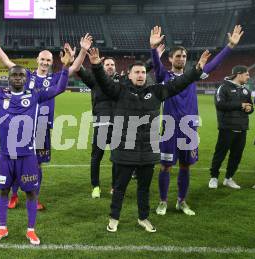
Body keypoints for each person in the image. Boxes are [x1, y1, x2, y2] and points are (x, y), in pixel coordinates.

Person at [89, 30, 211, 232]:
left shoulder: (156, 91)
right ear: (129, 75)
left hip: (148, 150)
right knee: (119, 188)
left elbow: (179, 83)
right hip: (124, 149)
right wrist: (96, 66)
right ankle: (114, 218)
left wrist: (197, 69)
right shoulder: (118, 91)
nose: (140, 75)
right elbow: (103, 82)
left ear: (147, 75)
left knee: (144, 189)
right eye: (136, 72)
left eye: (143, 72)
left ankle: (143, 218)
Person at [0, 43, 72, 245]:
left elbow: (60, 88)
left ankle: (30, 230)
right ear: (8, 78)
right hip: (5, 155)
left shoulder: (35, 95)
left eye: (21, 75)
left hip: (28, 155)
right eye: (14, 75)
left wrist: (65, 68)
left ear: (26, 79)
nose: (17, 78)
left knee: (31, 192)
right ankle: (2, 228)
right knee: (3, 191)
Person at [0, 29, 90, 210]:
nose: (45, 62)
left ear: (51, 62)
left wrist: (83, 51)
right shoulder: (26, 75)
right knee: (16, 161)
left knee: (37, 165)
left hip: (42, 128)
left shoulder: (55, 78)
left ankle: (35, 196)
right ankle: (14, 196)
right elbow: (7, 62)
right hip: (23, 127)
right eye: (42, 59)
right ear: (37, 60)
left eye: (48, 60)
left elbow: (74, 68)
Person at [150, 25, 244, 216]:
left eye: (184, 56)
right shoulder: (165, 76)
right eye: (177, 56)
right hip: (169, 128)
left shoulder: (192, 75)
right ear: (170, 59)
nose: (181, 59)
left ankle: (181, 201)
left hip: (189, 128)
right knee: (165, 166)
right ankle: (162, 201)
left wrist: (230, 47)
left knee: (185, 166)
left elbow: (213, 64)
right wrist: (153, 49)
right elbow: (157, 67)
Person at [75, 56, 119, 198]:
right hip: (101, 124)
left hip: (118, 126)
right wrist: (75, 58)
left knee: (118, 158)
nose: (110, 66)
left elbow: (140, 72)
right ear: (102, 66)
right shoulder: (94, 80)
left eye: (112, 64)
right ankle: (95, 187)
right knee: (96, 158)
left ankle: (115, 186)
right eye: (107, 64)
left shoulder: (121, 82)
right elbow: (80, 71)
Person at [208, 66, 253, 189]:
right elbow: (220, 104)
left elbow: (250, 107)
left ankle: (228, 178)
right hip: (227, 127)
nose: (248, 77)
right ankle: (214, 177)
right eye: (247, 74)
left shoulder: (246, 91)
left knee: (236, 155)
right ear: (239, 74)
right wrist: (240, 105)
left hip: (242, 127)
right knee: (220, 154)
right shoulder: (224, 87)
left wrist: (250, 108)